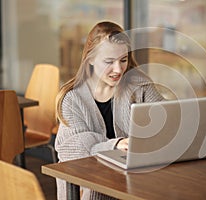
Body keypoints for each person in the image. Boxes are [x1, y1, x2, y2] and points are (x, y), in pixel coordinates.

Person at [55, 21, 164, 200]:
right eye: (109, 62)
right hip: (89, 188)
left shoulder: (139, 84)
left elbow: (164, 117)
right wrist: (115, 145)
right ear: (90, 59)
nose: (118, 69)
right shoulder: (72, 98)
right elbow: (73, 149)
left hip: (133, 182)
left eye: (123, 60)